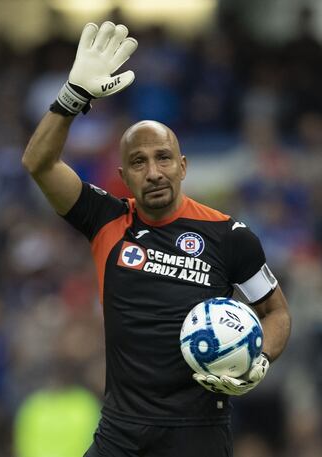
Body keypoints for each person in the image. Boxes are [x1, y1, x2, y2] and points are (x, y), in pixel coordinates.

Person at [22, 21, 291, 457]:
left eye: (163, 158)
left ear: (183, 166)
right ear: (123, 175)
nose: (153, 172)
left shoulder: (229, 235)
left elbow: (274, 310)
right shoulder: (104, 218)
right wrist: (73, 95)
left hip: (198, 432)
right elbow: (38, 162)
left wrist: (261, 358)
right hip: (121, 431)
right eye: (139, 162)